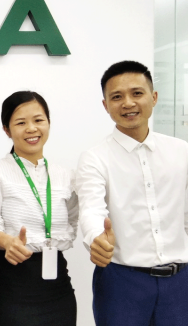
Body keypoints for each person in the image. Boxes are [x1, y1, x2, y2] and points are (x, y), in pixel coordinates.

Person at [77, 60, 188, 325]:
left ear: (154, 97)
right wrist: (96, 238)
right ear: (105, 105)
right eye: (117, 97)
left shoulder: (181, 151)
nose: (128, 103)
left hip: (180, 283)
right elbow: (91, 209)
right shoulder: (94, 158)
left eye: (137, 93)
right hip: (121, 283)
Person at [0, 91, 78, 325]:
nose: (31, 128)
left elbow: (72, 220)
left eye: (38, 120)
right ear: (7, 130)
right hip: (14, 280)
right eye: (21, 123)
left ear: (48, 123)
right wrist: (7, 242)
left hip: (58, 283)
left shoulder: (65, 176)